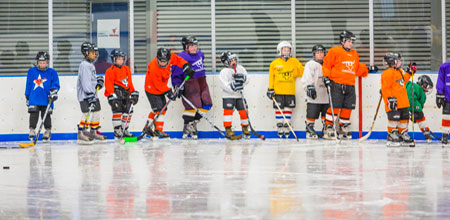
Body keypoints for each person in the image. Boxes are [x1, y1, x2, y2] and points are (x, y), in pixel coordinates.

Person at [322, 30, 373, 140]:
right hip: (336, 83)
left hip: (350, 84)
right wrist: (326, 77)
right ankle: (329, 127)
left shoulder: (354, 53)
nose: (351, 43)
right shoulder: (334, 51)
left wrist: (367, 69)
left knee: (348, 107)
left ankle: (343, 126)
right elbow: (326, 65)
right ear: (342, 41)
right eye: (349, 41)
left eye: (352, 42)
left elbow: (357, 68)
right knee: (335, 107)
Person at [143, 48, 195, 138]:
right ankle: (158, 130)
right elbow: (157, 84)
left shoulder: (170, 57)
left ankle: (147, 127)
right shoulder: (153, 67)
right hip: (152, 89)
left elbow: (178, 60)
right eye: (161, 61)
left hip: (161, 88)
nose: (163, 63)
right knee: (160, 109)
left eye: (165, 61)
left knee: (159, 109)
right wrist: (168, 92)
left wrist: (185, 65)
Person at [171, 35, 213, 139]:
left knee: (208, 104)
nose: (194, 48)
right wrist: (177, 86)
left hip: (202, 80)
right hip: (190, 82)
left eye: (195, 45)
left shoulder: (200, 54)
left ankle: (192, 124)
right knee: (194, 105)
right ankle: (187, 126)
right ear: (186, 47)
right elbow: (175, 74)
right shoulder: (181, 57)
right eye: (191, 46)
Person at [267, 41, 304, 138]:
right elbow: (271, 77)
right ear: (280, 51)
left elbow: (302, 72)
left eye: (288, 50)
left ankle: (286, 125)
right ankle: (280, 125)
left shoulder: (294, 62)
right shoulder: (274, 64)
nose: (286, 52)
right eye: (284, 50)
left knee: (288, 108)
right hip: (278, 91)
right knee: (279, 109)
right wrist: (270, 89)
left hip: (289, 91)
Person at [380, 52, 416, 147]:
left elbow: (403, 81)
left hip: (403, 101)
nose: (400, 62)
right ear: (393, 62)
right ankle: (392, 134)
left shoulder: (399, 71)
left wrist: (409, 73)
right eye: (398, 60)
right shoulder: (387, 74)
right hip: (394, 102)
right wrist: (389, 99)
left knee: (404, 119)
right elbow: (385, 89)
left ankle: (402, 133)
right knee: (393, 119)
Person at [25, 51, 60, 143]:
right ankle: (32, 129)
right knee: (33, 114)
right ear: (37, 62)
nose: (42, 65)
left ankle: (47, 131)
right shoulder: (31, 71)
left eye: (44, 63)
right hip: (34, 98)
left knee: (47, 115)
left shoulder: (52, 72)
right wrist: (27, 96)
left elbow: (55, 84)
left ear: (47, 62)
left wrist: (53, 91)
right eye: (40, 63)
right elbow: (28, 84)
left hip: (46, 98)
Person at [104, 49, 139, 140]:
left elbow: (129, 83)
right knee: (118, 111)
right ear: (113, 59)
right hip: (115, 93)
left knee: (129, 111)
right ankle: (117, 131)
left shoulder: (126, 69)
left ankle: (124, 130)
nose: (120, 61)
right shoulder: (110, 71)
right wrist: (112, 95)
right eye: (118, 59)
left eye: (122, 59)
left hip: (126, 93)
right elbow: (108, 84)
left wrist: (133, 93)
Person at [77, 42, 106, 144]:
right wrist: (89, 94)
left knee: (96, 112)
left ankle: (93, 131)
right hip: (86, 95)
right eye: (92, 52)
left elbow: (91, 79)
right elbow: (85, 81)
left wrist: (98, 82)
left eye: (95, 52)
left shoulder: (90, 65)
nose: (95, 54)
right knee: (87, 113)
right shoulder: (84, 65)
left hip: (93, 94)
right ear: (85, 53)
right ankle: (81, 133)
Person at [219, 51, 250, 139]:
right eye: (231, 60)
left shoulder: (241, 68)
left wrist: (243, 80)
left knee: (244, 111)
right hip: (228, 96)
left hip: (239, 96)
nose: (234, 62)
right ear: (225, 61)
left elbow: (247, 78)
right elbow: (224, 84)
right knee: (228, 113)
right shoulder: (224, 72)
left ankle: (245, 128)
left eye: (234, 59)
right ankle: (228, 129)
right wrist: (232, 87)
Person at [301, 45, 329, 139]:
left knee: (326, 113)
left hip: (326, 94)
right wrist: (309, 86)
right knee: (312, 112)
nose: (320, 55)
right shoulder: (310, 64)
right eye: (318, 53)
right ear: (314, 54)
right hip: (315, 94)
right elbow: (307, 76)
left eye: (322, 53)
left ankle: (326, 129)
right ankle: (309, 128)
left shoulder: (328, 64)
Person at [406, 75, 434, 143]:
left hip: (406, 105)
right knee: (418, 116)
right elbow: (411, 97)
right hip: (407, 105)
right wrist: (415, 109)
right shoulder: (417, 88)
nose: (427, 89)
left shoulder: (418, 90)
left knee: (419, 116)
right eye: (426, 86)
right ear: (422, 83)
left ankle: (426, 131)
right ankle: (401, 133)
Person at [436, 61, 450, 145]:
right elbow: (440, 80)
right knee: (446, 118)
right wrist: (439, 94)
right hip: (448, 98)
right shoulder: (445, 67)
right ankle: (445, 135)